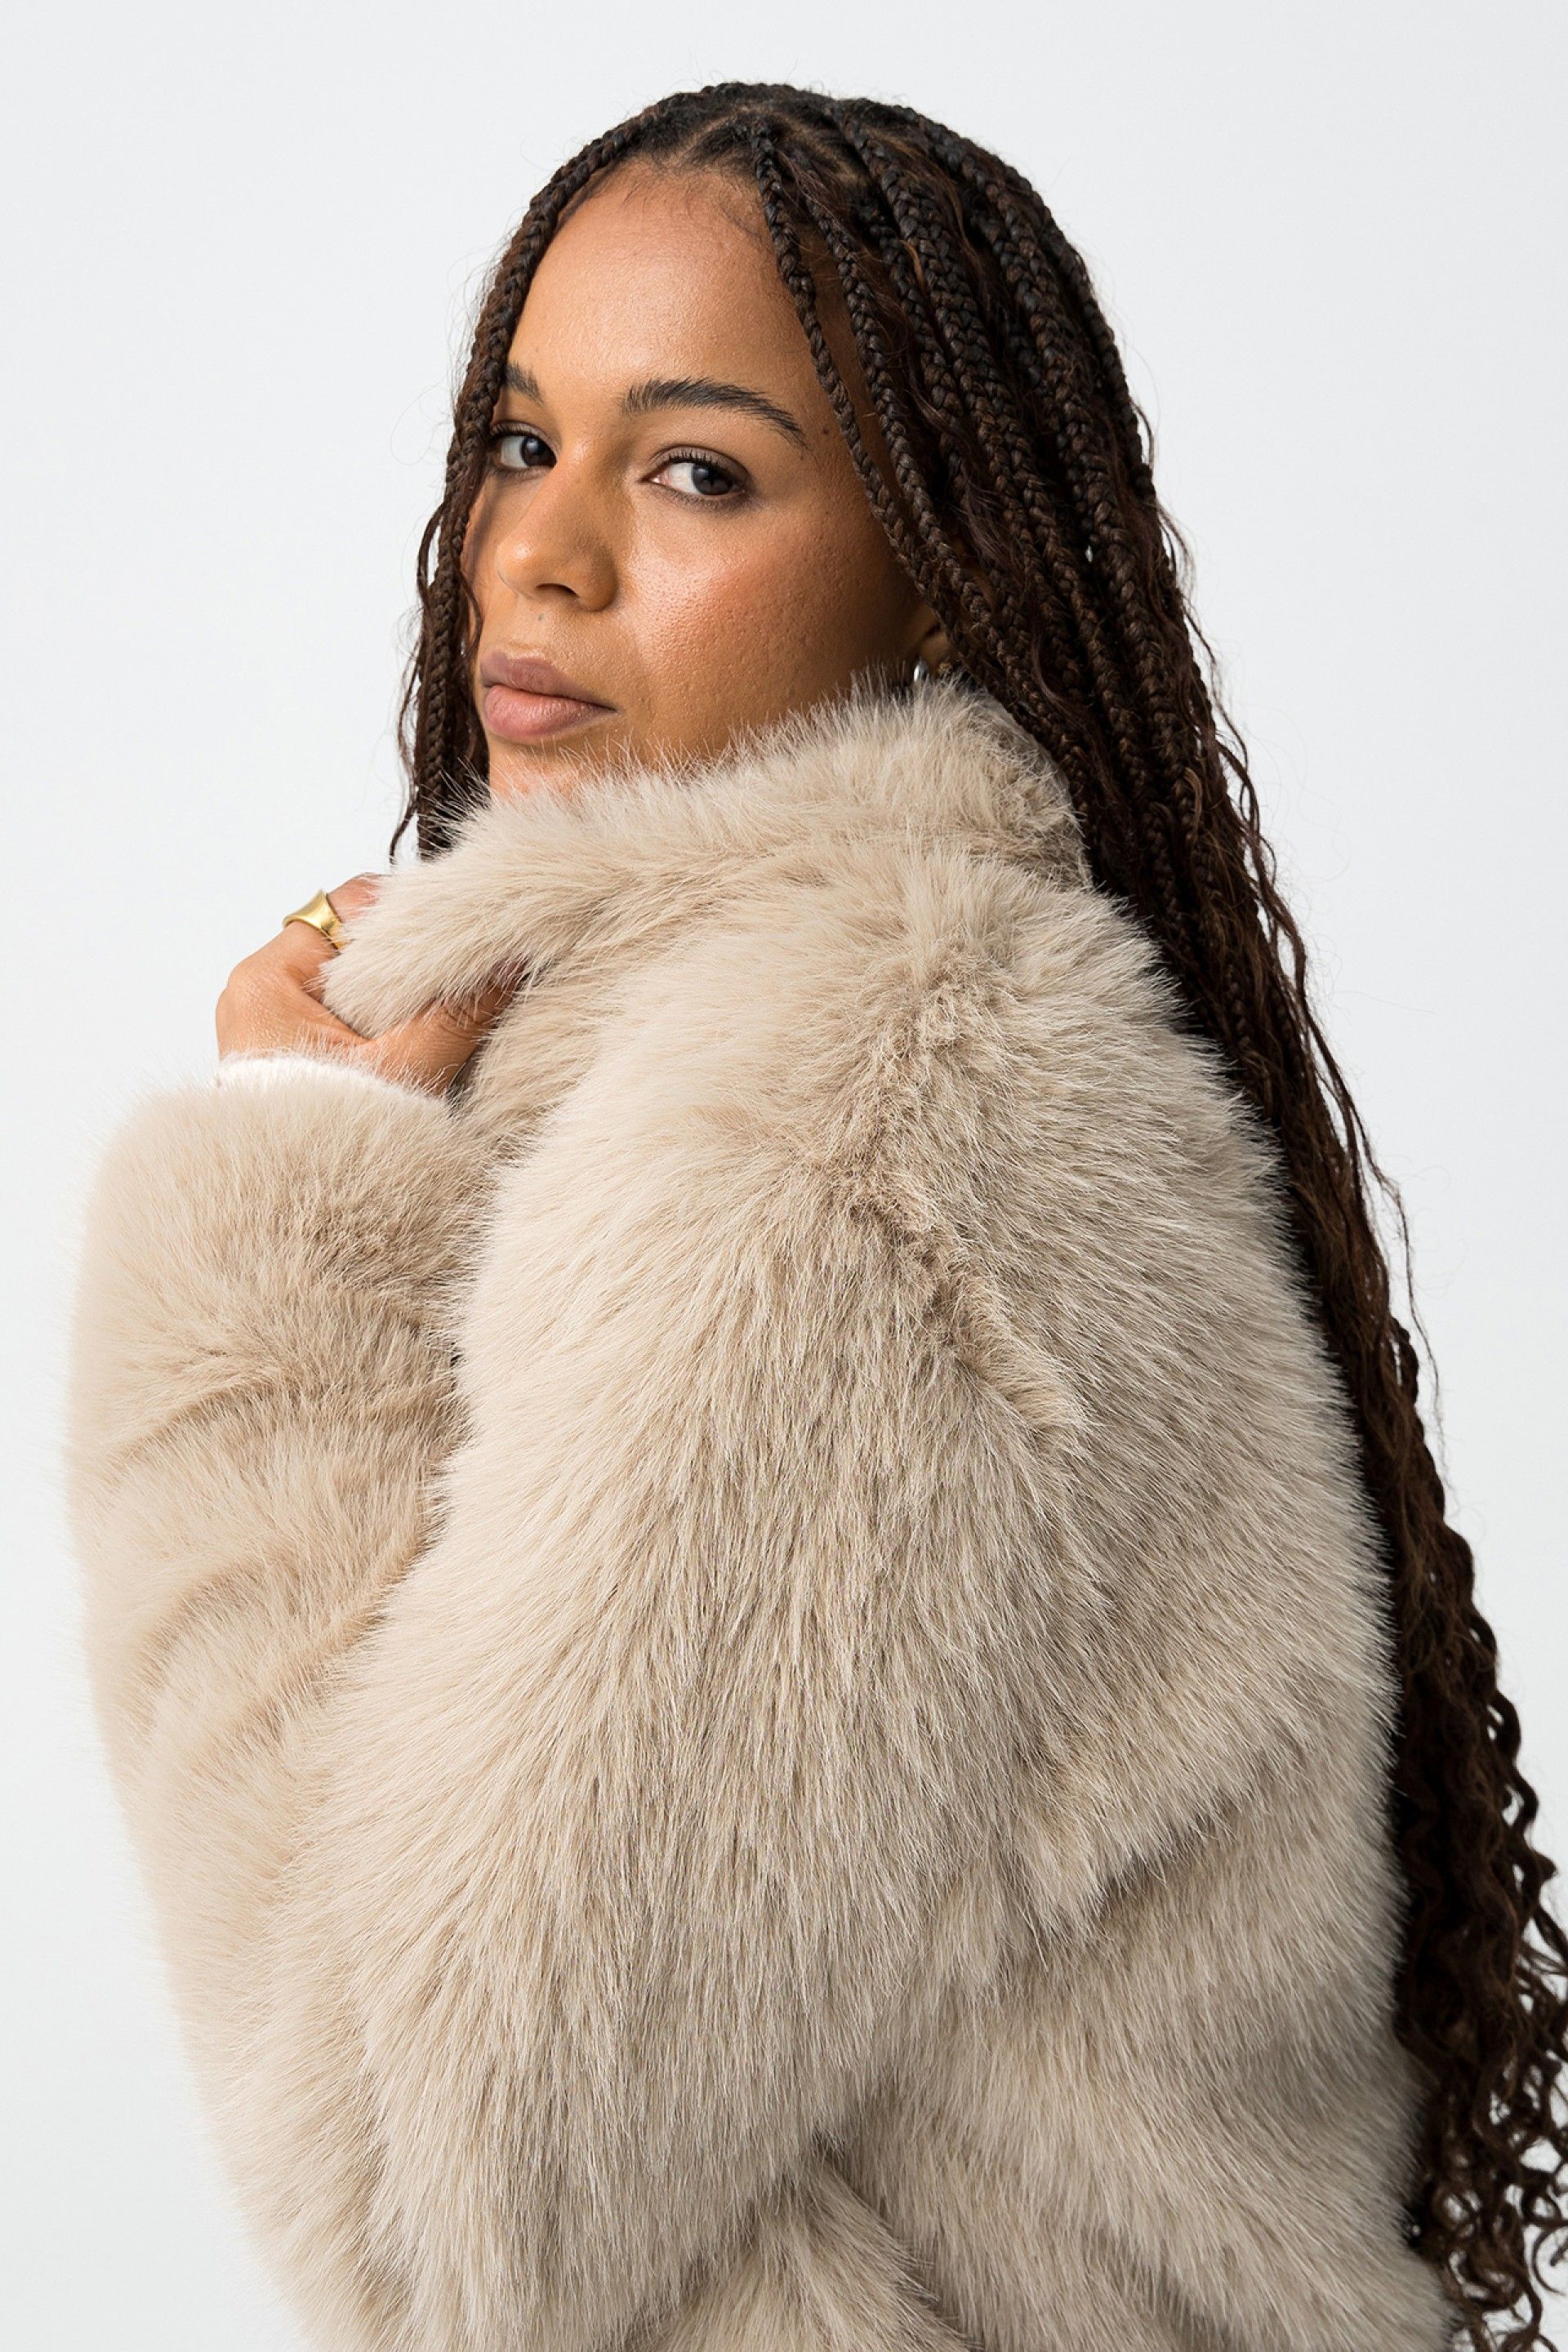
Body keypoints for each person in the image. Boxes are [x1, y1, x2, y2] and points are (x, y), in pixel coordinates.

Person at [64, 82, 1566, 2352]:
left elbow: (425, 2206)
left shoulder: (867, 1121)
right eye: (519, 442)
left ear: (940, 574)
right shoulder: (808, 1059)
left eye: (696, 473)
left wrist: (270, 1234)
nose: (540, 555)